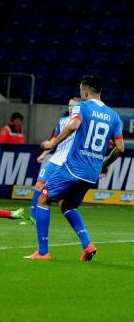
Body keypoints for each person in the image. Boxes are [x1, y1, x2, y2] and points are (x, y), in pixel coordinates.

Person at [25, 76, 124, 261]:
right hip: (91, 173)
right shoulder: (114, 115)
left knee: (43, 199)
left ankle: (43, 252)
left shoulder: (82, 106)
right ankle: (87, 245)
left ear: (85, 92)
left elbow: (74, 124)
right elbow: (120, 149)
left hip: (73, 168)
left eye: (81, 92)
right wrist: (104, 165)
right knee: (67, 205)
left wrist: (52, 143)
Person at [20, 97, 80, 226]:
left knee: (62, 199)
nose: (71, 108)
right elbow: (54, 139)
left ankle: (72, 222)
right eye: (69, 106)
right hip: (54, 160)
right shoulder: (62, 121)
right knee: (38, 186)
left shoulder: (80, 123)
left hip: (66, 163)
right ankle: (32, 218)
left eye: (74, 106)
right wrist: (44, 153)